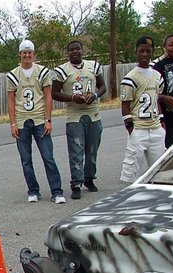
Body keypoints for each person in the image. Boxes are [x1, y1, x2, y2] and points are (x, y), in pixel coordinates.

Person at [7, 39, 66, 204]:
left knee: (48, 156)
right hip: (21, 121)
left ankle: (57, 191)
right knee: (26, 159)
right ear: (20, 54)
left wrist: (48, 119)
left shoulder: (42, 72)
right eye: (24, 53)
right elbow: (11, 100)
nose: (27, 55)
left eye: (29, 53)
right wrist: (12, 123)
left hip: (40, 119)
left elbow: (48, 96)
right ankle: (33, 190)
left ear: (33, 54)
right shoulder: (13, 75)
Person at [51, 40, 106, 200]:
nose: (75, 52)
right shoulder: (61, 70)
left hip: (93, 112)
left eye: (77, 49)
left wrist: (94, 95)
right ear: (68, 53)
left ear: (82, 50)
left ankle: (89, 178)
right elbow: (55, 93)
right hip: (74, 114)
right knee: (76, 150)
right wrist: (73, 97)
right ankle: (76, 183)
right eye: (71, 50)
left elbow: (103, 87)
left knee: (92, 148)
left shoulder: (93, 66)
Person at [119, 36, 165, 183]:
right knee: (130, 168)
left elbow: (157, 99)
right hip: (139, 128)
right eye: (141, 51)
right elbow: (125, 105)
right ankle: (129, 197)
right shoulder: (131, 77)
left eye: (148, 51)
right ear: (136, 52)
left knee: (158, 168)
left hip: (155, 127)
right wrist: (130, 128)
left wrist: (162, 121)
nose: (144, 54)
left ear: (152, 52)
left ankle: (157, 196)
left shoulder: (157, 76)